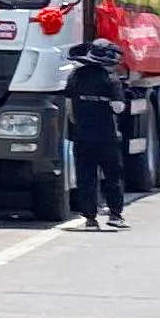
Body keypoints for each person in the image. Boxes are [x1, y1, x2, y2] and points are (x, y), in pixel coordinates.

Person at [63, 37, 128, 228]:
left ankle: (90, 218)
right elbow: (118, 108)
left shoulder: (76, 75)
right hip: (106, 136)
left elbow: (69, 108)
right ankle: (115, 215)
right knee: (112, 176)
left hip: (82, 135)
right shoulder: (111, 79)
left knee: (86, 177)